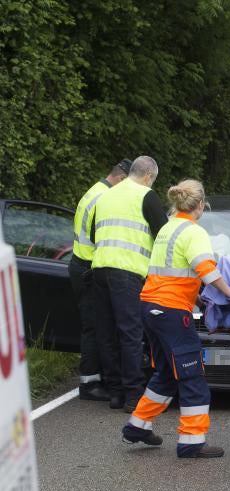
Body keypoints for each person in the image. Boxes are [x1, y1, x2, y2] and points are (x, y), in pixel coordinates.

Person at [121, 179, 230, 458]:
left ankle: (137, 427)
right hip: (173, 313)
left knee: (166, 373)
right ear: (201, 204)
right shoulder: (195, 231)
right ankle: (191, 441)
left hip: (151, 307)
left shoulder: (167, 228)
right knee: (192, 376)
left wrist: (196, 297)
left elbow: (172, 271)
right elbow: (205, 269)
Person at [91, 155, 168, 412]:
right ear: (148, 177)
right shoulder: (146, 197)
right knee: (130, 334)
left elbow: (93, 234)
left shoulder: (106, 196)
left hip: (99, 269)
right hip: (128, 272)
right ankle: (133, 395)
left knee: (106, 332)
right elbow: (164, 235)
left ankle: (115, 393)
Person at [69, 159, 131, 401]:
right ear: (122, 179)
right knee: (94, 328)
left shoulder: (94, 191)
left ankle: (95, 377)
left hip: (80, 264)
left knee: (94, 326)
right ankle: (90, 383)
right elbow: (101, 236)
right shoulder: (104, 199)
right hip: (87, 268)